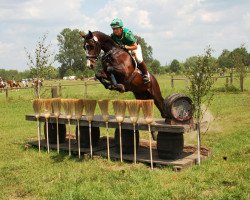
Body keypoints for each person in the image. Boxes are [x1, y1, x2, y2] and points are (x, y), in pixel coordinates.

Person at [110, 18, 150, 84]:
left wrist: (125, 47)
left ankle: (146, 75)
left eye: (116, 29)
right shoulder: (113, 36)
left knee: (139, 59)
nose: (115, 31)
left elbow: (135, 46)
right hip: (125, 50)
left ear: (121, 28)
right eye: (113, 29)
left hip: (134, 47)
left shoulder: (127, 34)